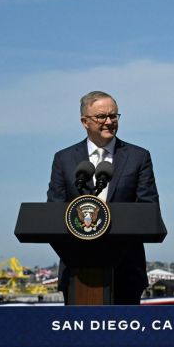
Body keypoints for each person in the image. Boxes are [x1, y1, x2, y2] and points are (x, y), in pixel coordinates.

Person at [47, 91, 159, 304]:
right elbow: (54, 212)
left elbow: (148, 209)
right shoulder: (64, 159)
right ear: (84, 121)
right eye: (101, 117)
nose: (109, 122)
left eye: (114, 116)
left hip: (126, 270)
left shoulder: (138, 157)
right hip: (77, 272)